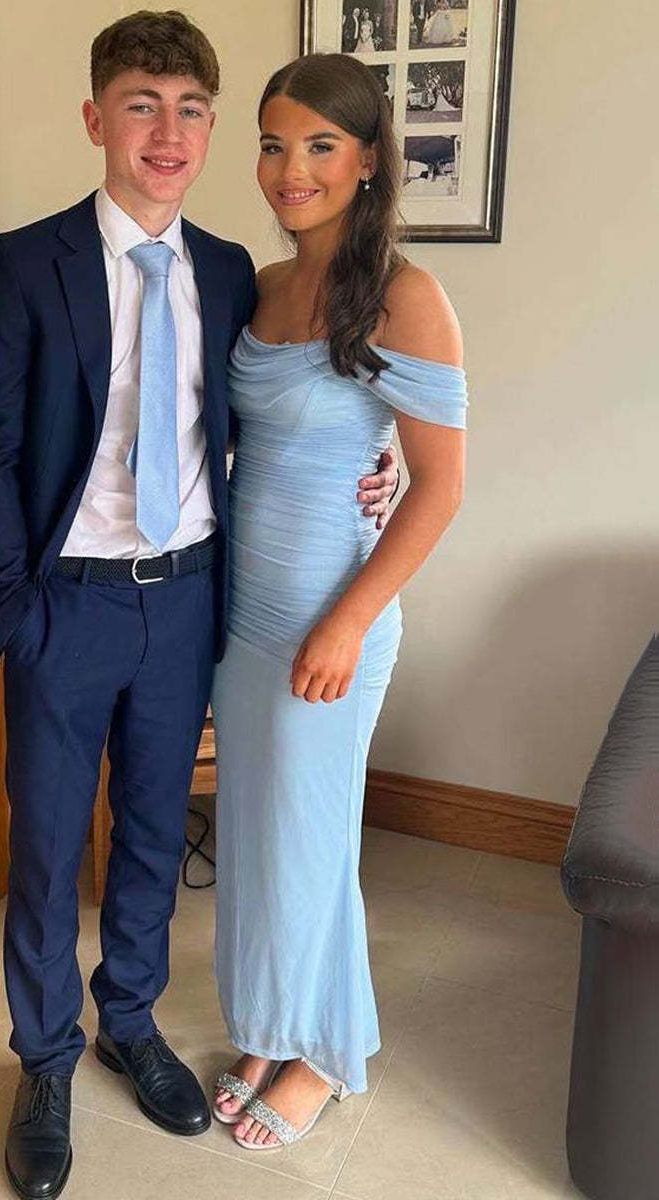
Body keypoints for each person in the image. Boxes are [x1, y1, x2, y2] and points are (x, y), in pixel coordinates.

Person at [0, 13, 397, 1198]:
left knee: (156, 831)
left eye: (191, 110)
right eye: (141, 106)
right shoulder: (21, 263)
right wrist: (16, 606)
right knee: (51, 845)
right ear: (96, 119)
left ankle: (130, 1022)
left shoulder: (229, 272)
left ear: (210, 130)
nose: (167, 132)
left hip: (193, 600)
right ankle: (45, 1060)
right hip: (66, 605)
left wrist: (382, 463)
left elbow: (289, 410)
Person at [212, 52, 467, 1150]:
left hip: (333, 618)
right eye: (274, 144)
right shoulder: (261, 288)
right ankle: (268, 1026)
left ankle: (321, 1051)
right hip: (243, 613)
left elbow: (441, 487)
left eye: (320, 145)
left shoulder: (408, 296)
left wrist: (348, 621)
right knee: (257, 836)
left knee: (311, 841)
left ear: (367, 160)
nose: (292, 169)